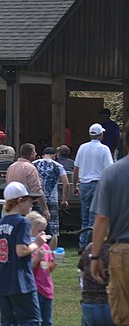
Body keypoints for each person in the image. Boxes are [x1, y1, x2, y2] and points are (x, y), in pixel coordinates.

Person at [90, 131, 129, 326]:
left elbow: (102, 217)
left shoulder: (113, 172)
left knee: (123, 314)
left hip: (123, 251)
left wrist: (95, 256)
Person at [0, 181, 44, 325]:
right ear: (20, 200)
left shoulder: (1, 222)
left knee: (8, 322)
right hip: (21, 281)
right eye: (29, 201)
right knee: (31, 321)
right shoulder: (22, 222)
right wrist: (37, 244)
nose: (32, 204)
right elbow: (21, 251)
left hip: (3, 280)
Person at [73, 123, 113, 252]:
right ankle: (91, 245)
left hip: (84, 184)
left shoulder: (82, 148)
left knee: (85, 216)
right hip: (98, 184)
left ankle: (82, 243)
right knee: (96, 216)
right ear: (100, 134)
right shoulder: (104, 149)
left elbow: (76, 168)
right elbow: (109, 169)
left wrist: (75, 185)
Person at [34, 146, 69, 250]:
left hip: (37, 198)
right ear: (54, 155)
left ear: (43, 155)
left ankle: (37, 247)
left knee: (37, 224)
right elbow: (66, 183)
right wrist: (64, 200)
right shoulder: (58, 166)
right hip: (52, 198)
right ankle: (51, 251)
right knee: (53, 228)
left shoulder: (34, 164)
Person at [7, 143, 51, 222]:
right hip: (28, 205)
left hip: (12, 204)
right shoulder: (30, 168)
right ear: (32, 154)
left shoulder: (11, 167)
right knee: (43, 227)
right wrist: (45, 209)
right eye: (35, 153)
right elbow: (37, 190)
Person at [27, 212, 56, 326]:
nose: (43, 233)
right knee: (35, 321)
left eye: (44, 230)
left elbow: (48, 268)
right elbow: (29, 267)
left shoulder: (45, 246)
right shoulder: (29, 246)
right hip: (35, 288)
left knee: (47, 321)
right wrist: (38, 257)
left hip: (47, 288)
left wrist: (56, 262)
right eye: (39, 231)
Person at [79, 238, 116, 326]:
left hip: (90, 302)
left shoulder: (90, 248)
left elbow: (82, 274)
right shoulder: (118, 251)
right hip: (113, 303)